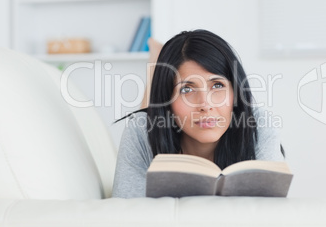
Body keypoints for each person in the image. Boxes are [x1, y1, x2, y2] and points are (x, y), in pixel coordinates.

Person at [112, 29, 285, 198]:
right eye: (187, 89)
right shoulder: (140, 129)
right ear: (167, 100)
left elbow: (270, 211)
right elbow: (126, 212)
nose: (205, 104)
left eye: (217, 85)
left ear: (236, 92)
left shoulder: (258, 123)